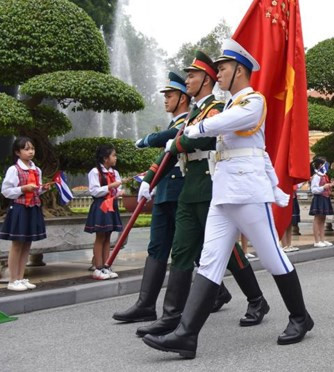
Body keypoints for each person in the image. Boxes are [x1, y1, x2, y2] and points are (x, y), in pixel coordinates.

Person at [142, 38, 312, 358]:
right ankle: (186, 335)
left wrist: (197, 128)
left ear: (239, 70)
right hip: (223, 193)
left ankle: (301, 318)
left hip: (247, 193)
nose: (218, 73)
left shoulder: (253, 102)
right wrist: (276, 184)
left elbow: (231, 126)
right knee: (210, 261)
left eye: (222, 68)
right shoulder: (230, 105)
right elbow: (259, 153)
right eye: (217, 68)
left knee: (272, 256)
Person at [136, 51, 267, 339]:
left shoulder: (218, 107)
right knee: (182, 249)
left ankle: (257, 300)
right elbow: (176, 147)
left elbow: (206, 137)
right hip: (191, 184)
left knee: (228, 251)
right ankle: (171, 316)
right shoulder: (196, 111)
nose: (188, 81)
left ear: (206, 79)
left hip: (210, 183)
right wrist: (149, 177)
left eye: (192, 76)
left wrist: (175, 141)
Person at [113, 72, 229, 321]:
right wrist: (147, 181)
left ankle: (224, 294)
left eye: (171, 95)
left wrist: (148, 139)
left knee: (190, 249)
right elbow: (164, 156)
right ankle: (146, 304)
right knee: (160, 247)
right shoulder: (176, 123)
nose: (166, 100)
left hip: (184, 191)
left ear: (183, 99)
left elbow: (173, 141)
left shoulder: (187, 120)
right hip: (167, 192)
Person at [1, 137, 51, 291]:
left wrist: (43, 188)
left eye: (32, 149)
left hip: (33, 207)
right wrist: (23, 188)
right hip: (19, 208)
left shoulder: (36, 170)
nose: (30, 152)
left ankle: (21, 277)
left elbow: (36, 189)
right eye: (26, 149)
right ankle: (12, 279)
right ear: (18, 152)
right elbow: (6, 191)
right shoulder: (14, 169)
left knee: (27, 243)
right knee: (17, 244)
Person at [85, 143, 127, 280]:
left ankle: (106, 265)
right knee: (100, 236)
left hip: (111, 205)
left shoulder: (115, 173)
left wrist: (118, 191)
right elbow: (94, 191)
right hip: (101, 205)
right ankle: (97, 267)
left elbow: (115, 188)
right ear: (105, 158)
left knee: (108, 235)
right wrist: (110, 186)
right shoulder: (95, 172)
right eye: (113, 155)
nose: (116, 158)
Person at [309, 157, 334, 248]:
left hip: (325, 197)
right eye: (325, 164)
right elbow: (313, 189)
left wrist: (331, 185)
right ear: (320, 165)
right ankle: (317, 240)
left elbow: (325, 186)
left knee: (323, 219)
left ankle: (322, 239)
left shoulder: (324, 176)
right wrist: (323, 187)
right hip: (319, 198)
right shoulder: (316, 176)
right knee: (317, 219)